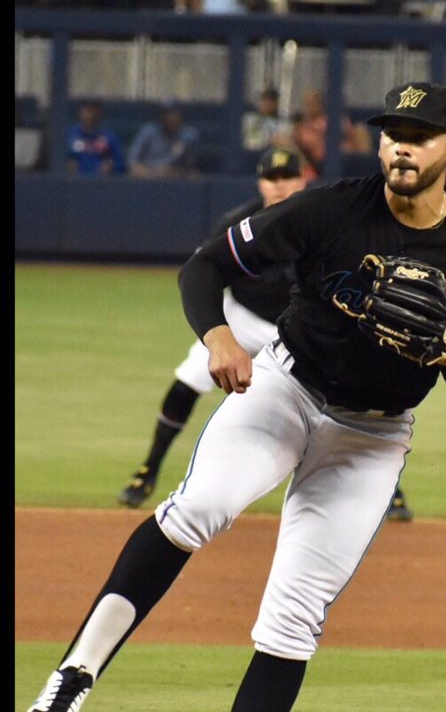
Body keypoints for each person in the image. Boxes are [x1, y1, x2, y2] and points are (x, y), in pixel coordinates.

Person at [18, 81, 446, 712]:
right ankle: (71, 679)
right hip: (284, 389)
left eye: (420, 136)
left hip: (374, 438)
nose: (402, 148)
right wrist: (217, 336)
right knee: (201, 506)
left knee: (291, 621)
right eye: (392, 133)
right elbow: (205, 265)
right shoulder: (330, 209)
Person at [118, 148, 308, 508]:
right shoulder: (238, 222)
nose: (279, 185)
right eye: (272, 178)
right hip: (242, 317)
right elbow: (204, 273)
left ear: (302, 180)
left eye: (287, 177)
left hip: (296, 326)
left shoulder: (317, 220)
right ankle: (148, 469)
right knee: (186, 382)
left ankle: (387, 488)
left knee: (340, 397)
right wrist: (216, 332)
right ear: (260, 182)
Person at [290, 88, 372, 180]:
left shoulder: (334, 118)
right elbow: (306, 142)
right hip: (317, 160)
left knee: (360, 130)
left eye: (315, 101)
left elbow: (349, 130)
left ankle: (366, 166)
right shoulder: (303, 125)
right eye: (309, 103)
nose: (312, 105)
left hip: (342, 156)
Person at [127, 101, 200, 179]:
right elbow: (132, 159)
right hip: (147, 177)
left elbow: (188, 166)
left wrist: (169, 170)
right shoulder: (148, 130)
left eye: (174, 114)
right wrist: (147, 172)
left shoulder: (188, 134)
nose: (170, 118)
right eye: (166, 114)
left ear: (180, 116)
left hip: (176, 180)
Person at [66, 99, 126, 176]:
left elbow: (121, 165)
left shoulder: (110, 137)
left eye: (94, 111)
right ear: (79, 113)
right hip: (73, 184)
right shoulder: (69, 135)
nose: (90, 116)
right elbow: (56, 162)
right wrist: (65, 166)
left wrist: (111, 166)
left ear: (100, 113)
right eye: (87, 111)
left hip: (101, 184)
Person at [241, 87, 293, 152]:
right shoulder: (251, 120)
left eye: (272, 100)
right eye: (264, 99)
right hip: (253, 156)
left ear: (277, 102)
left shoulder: (284, 123)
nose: (268, 103)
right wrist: (269, 142)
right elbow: (250, 142)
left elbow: (286, 141)